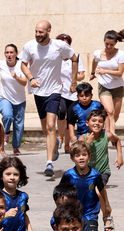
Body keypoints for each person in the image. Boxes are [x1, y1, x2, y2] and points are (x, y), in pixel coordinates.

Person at [20, 20, 79, 177]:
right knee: (46, 129)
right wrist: (31, 78)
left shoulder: (59, 46)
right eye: (36, 31)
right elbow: (23, 64)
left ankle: (49, 163)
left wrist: (74, 82)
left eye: (41, 32)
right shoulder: (29, 46)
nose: (38, 34)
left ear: (49, 31)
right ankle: (55, 143)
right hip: (38, 91)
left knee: (51, 126)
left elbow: (74, 58)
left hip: (54, 90)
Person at [59, 139, 110, 231]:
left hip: (91, 212)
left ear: (89, 156)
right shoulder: (68, 175)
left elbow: (102, 190)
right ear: (72, 159)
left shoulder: (96, 175)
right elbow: (60, 192)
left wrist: (107, 206)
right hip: (74, 213)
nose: (81, 158)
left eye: (84, 155)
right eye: (77, 156)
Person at [91, 30, 124, 135]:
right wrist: (92, 73)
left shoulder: (120, 54)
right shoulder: (98, 53)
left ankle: (108, 129)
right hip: (104, 86)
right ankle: (111, 135)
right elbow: (95, 60)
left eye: (111, 44)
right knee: (109, 111)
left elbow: (120, 73)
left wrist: (105, 71)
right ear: (104, 41)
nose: (108, 46)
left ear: (116, 43)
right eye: (106, 43)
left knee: (115, 115)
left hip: (118, 87)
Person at [0, 44, 27, 155]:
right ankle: (6, 131)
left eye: (11, 52)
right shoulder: (0, 64)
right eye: (7, 52)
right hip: (5, 97)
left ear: (16, 54)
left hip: (20, 100)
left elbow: (25, 82)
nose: (9, 55)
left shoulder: (21, 65)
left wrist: (16, 77)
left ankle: (16, 147)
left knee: (19, 125)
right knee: (7, 116)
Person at [54, 34, 85, 154]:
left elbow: (82, 74)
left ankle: (67, 144)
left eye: (65, 44)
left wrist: (74, 78)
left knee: (70, 119)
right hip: (59, 91)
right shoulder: (55, 58)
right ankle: (60, 137)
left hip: (72, 92)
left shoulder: (75, 57)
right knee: (61, 113)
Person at [81, 108, 123, 191]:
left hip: (103, 172)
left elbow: (117, 140)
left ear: (103, 124)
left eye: (100, 121)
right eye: (94, 120)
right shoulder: (83, 138)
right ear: (87, 123)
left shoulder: (107, 136)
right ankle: (105, 204)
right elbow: (79, 152)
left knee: (96, 189)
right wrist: (87, 143)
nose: (97, 123)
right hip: (86, 172)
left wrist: (120, 156)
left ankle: (104, 203)